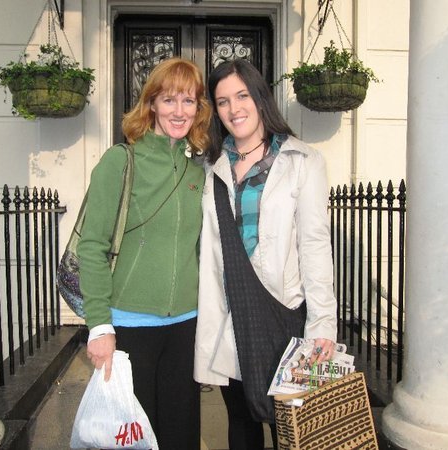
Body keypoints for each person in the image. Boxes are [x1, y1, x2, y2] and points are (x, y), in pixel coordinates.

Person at [194, 58, 338, 450]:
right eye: (222, 101)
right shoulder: (209, 167)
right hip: (232, 317)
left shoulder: (302, 161)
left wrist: (323, 323)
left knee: (292, 428)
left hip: (283, 315)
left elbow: (314, 245)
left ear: (260, 98)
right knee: (240, 426)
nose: (233, 109)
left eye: (242, 96)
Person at [78, 57, 211, 450]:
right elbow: (92, 245)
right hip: (130, 324)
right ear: (151, 104)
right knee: (133, 435)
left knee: (181, 433)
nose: (179, 111)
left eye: (189, 101)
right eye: (169, 100)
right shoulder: (120, 160)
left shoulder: (197, 171)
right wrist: (100, 326)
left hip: (186, 324)